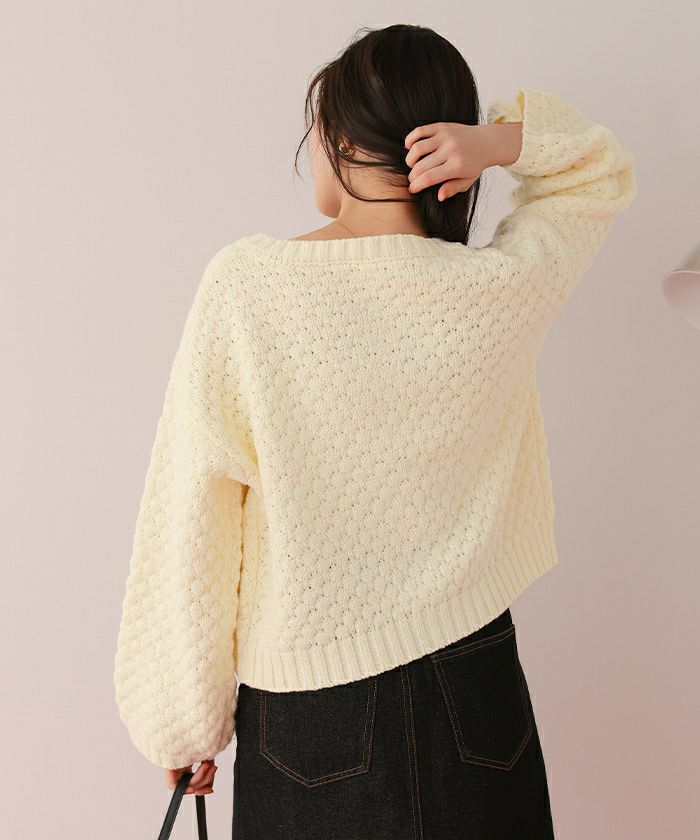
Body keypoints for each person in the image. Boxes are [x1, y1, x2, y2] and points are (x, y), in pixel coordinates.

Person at [113, 23, 637, 840]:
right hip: (476, 690)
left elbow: (193, 511)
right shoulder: (496, 290)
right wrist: (495, 144)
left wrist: (180, 723)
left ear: (344, 140)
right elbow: (594, 170)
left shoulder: (249, 288)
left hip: (310, 713)